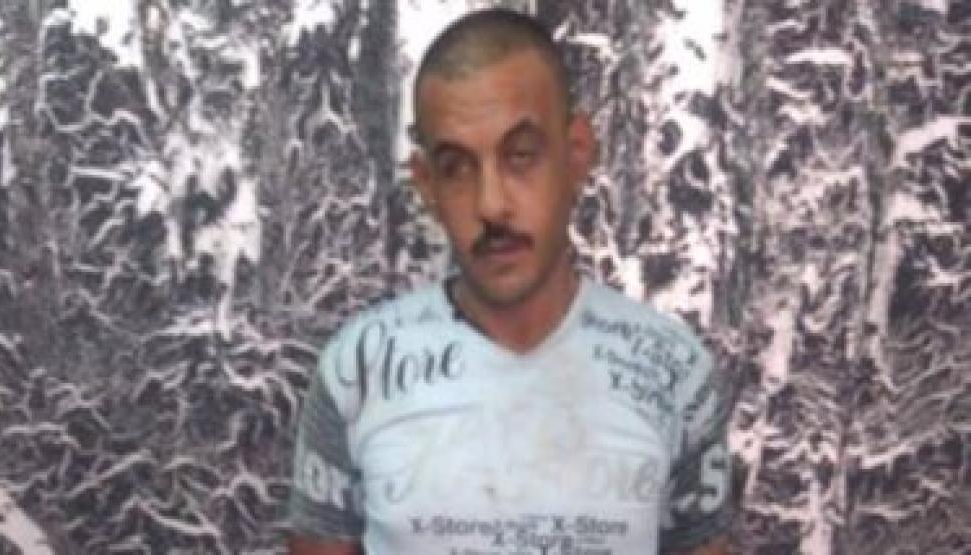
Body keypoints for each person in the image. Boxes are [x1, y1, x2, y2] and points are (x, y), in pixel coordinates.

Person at [287, 8, 731, 555]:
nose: (492, 204)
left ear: (576, 153)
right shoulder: (358, 369)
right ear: (426, 184)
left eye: (520, 156)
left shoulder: (674, 374)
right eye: (457, 167)